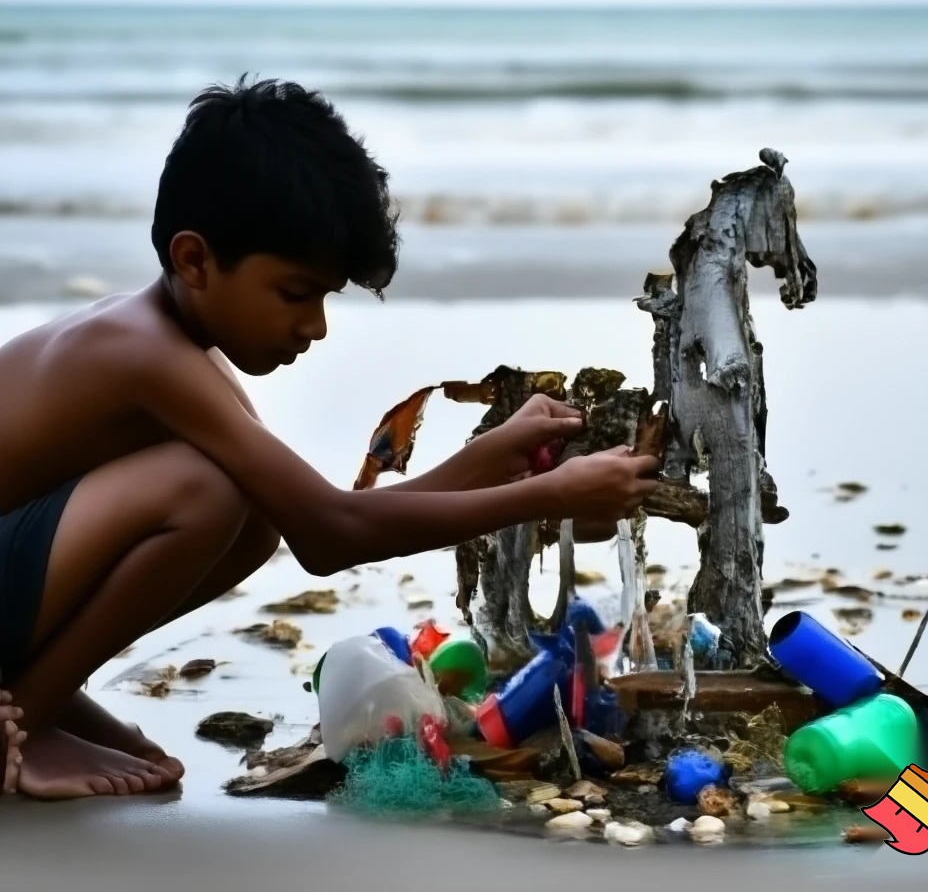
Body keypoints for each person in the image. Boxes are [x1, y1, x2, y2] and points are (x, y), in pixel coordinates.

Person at [0, 77, 660, 801]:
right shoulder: (138, 352)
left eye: (324, 296)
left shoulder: (178, 352)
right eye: (295, 292)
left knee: (251, 514)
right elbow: (329, 535)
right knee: (207, 490)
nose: (315, 326)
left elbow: (312, 516)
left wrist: (492, 456)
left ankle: (41, 693)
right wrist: (545, 496)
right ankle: (25, 712)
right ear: (194, 260)